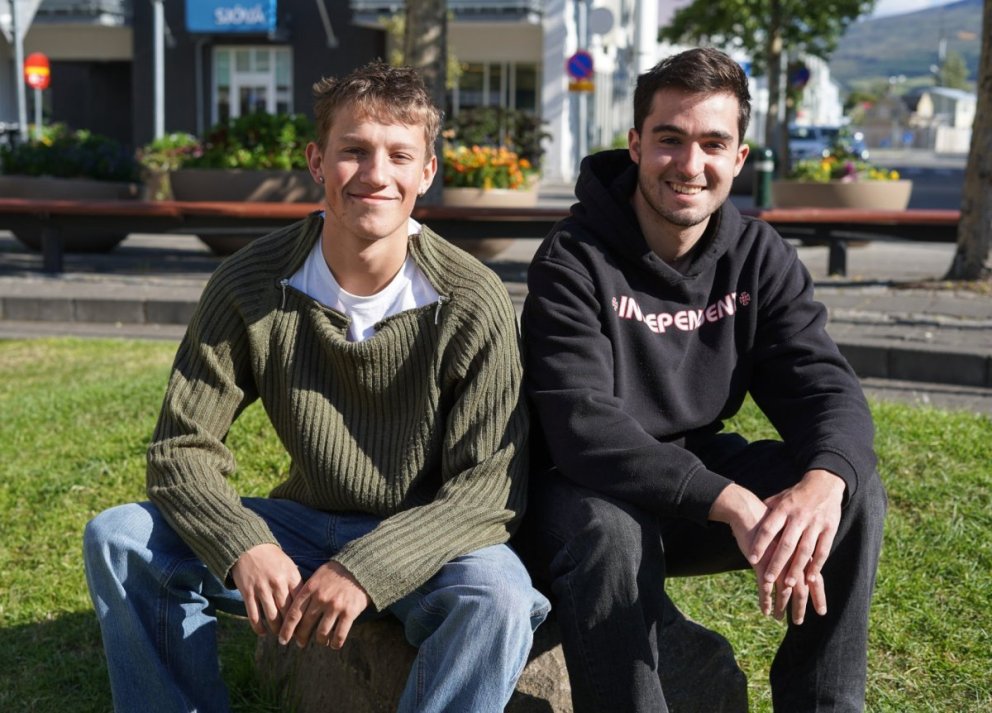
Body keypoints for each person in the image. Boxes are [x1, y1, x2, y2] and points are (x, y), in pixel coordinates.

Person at [84, 61, 549, 713]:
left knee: (498, 595)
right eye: (353, 151)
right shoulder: (251, 283)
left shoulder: (472, 299)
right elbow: (180, 449)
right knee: (120, 537)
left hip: (424, 538)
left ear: (426, 172)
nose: (375, 174)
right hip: (301, 525)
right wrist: (243, 542)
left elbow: (487, 491)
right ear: (315, 160)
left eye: (399, 155)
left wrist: (368, 568)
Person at [518, 47, 886, 712]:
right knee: (610, 533)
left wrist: (824, 481)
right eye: (670, 139)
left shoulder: (757, 256)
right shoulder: (572, 259)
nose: (690, 165)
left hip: (693, 483)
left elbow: (825, 388)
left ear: (739, 158)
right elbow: (581, 427)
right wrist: (730, 500)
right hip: (582, 492)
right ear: (636, 145)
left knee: (850, 492)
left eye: (713, 143)